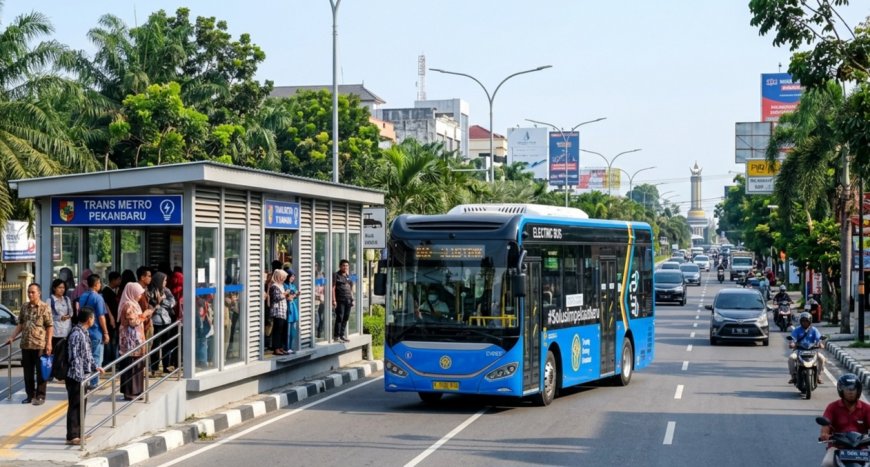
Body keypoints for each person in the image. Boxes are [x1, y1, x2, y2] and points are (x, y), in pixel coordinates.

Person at [6, 283, 53, 405]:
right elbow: (20, 324)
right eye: (29, 292)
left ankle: (40, 395)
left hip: (39, 345)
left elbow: (49, 326)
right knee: (28, 373)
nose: (30, 294)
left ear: (39, 293)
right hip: (26, 344)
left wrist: (49, 343)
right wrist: (12, 337)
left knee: (41, 372)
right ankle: (30, 395)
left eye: (33, 292)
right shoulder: (24, 307)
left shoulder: (45, 307)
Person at [64, 308, 103, 445]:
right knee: (75, 405)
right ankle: (72, 436)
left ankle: (80, 432)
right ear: (89, 319)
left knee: (81, 404)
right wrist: (79, 377)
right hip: (76, 376)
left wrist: (95, 366)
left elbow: (87, 354)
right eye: (93, 318)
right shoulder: (76, 334)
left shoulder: (84, 332)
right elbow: (74, 357)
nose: (94, 320)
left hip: (83, 376)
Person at [819, 374, 870, 467]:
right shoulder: (832, 407)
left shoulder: (866, 408)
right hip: (837, 448)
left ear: (858, 390)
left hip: (862, 449)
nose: (850, 392)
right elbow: (825, 426)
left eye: (853, 389)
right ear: (841, 390)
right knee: (827, 463)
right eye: (847, 389)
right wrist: (824, 435)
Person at [118, 282, 152, 401]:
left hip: (135, 341)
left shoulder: (133, 304)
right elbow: (133, 322)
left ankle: (136, 391)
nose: (140, 296)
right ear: (132, 293)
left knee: (136, 366)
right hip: (131, 343)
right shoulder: (128, 305)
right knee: (132, 366)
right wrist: (145, 314)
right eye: (138, 294)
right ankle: (131, 392)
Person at [79, 274, 109, 389]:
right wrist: (105, 332)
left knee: (85, 356)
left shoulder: (83, 296)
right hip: (96, 331)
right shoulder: (98, 298)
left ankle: (85, 381)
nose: (100, 285)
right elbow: (101, 316)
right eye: (100, 283)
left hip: (85, 331)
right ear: (96, 284)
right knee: (96, 358)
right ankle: (94, 383)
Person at [147, 272, 176, 375]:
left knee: (166, 344)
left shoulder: (166, 290)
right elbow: (151, 304)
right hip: (156, 321)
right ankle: (154, 368)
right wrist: (158, 303)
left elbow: (173, 302)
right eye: (164, 280)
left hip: (166, 320)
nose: (165, 282)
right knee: (155, 345)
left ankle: (166, 366)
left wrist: (163, 302)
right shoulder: (151, 290)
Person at [788, 312, 827, 385]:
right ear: (800, 322)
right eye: (803, 321)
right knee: (791, 358)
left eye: (806, 321)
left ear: (810, 321)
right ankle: (793, 376)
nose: (804, 323)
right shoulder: (796, 330)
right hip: (799, 350)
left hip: (812, 350)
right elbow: (793, 339)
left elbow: (819, 339)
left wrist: (820, 344)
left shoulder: (814, 330)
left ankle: (818, 376)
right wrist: (792, 343)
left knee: (822, 358)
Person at [101, 271, 122, 365]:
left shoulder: (113, 291)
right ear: (113, 280)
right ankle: (109, 361)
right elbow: (106, 306)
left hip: (113, 320)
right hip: (110, 321)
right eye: (118, 279)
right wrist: (111, 318)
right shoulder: (106, 291)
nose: (120, 281)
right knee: (111, 341)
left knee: (114, 341)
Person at [49, 279, 73, 356]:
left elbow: (71, 312)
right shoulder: (50, 300)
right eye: (59, 287)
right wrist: (60, 318)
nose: (62, 289)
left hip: (67, 331)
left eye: (63, 287)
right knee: (57, 356)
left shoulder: (66, 299)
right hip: (56, 333)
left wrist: (69, 315)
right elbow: (48, 317)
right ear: (54, 288)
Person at [268, 269, 290, 355]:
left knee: (282, 330)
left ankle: (281, 347)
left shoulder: (281, 285)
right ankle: (276, 348)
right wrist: (284, 294)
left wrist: (290, 295)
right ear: (278, 277)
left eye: (284, 277)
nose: (284, 279)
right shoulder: (274, 286)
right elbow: (276, 298)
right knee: (277, 330)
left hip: (283, 310)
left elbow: (284, 297)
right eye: (282, 277)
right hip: (277, 311)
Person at [332, 259, 353, 343]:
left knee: (346, 318)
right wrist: (334, 300)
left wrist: (352, 299)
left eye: (347, 266)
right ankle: (336, 336)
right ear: (340, 266)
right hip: (340, 300)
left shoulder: (348, 276)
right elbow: (333, 288)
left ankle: (342, 335)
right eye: (343, 265)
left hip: (348, 300)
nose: (345, 267)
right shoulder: (336, 275)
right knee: (340, 317)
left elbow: (350, 288)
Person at [284, 269, 299, 353]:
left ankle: (291, 347)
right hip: (288, 308)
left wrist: (296, 295)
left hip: (293, 308)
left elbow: (293, 296)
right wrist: (291, 296)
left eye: (294, 276)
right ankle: (286, 347)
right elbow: (286, 297)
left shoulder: (293, 286)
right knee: (287, 330)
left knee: (293, 330)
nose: (292, 278)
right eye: (291, 276)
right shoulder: (284, 285)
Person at [314, 263, 326, 339]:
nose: (315, 267)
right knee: (316, 317)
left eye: (316, 265)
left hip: (321, 299)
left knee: (321, 316)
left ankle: (319, 332)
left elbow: (324, 286)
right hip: (314, 299)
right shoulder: (309, 276)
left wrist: (321, 294)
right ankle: (315, 332)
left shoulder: (320, 275)